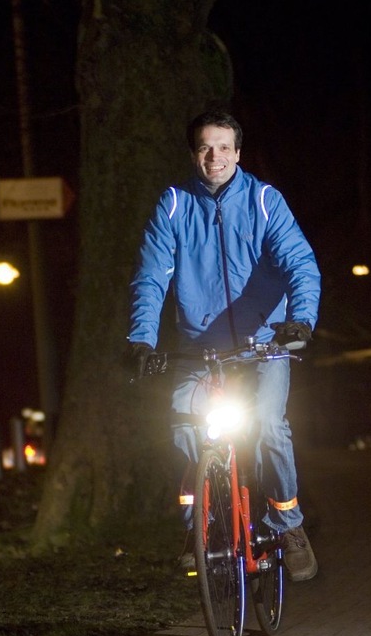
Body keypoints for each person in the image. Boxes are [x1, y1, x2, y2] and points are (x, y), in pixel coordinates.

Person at [125, 108, 321, 581]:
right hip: (200, 349)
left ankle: (289, 524)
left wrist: (299, 321)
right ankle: (200, 528)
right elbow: (151, 278)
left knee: (270, 426)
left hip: (264, 345)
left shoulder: (264, 201)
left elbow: (300, 263)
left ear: (238, 153)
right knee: (183, 428)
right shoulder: (173, 204)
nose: (214, 157)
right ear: (194, 153)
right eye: (204, 147)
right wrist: (141, 340)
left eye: (223, 147)